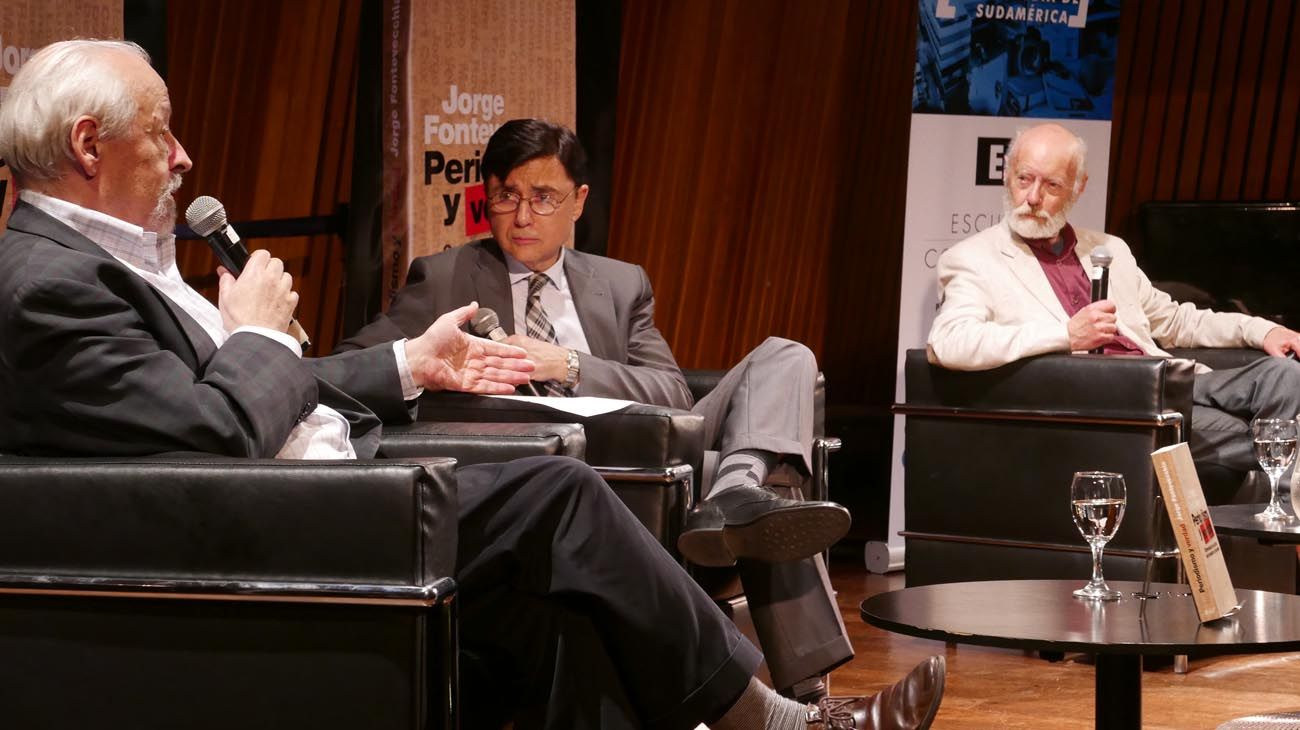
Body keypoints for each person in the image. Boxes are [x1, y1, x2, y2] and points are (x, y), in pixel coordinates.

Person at [0, 40, 944, 730]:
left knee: (582, 539)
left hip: (332, 480)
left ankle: (755, 613)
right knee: (562, 494)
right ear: (90, 143)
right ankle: (783, 721)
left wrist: (413, 365)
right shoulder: (48, 282)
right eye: (162, 132)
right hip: (291, 521)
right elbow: (211, 434)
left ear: (580, 203)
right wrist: (252, 334)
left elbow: (661, 380)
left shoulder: (110, 263)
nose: (182, 158)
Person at [339, 118, 855, 701]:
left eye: (543, 197)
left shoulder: (619, 282)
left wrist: (566, 364)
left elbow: (673, 392)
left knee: (789, 355)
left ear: (578, 202)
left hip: (652, 447)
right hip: (562, 471)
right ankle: (805, 689)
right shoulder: (445, 277)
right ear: (486, 198)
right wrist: (453, 372)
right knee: (772, 482)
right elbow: (362, 365)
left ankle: (736, 485)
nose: (523, 215)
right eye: (506, 196)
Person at [928, 122, 1300, 495]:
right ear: (1008, 175)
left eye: (1052, 185)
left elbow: (1174, 320)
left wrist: (1263, 330)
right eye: (1024, 179)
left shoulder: (1109, 250)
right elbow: (948, 341)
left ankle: (1278, 505)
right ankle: (1283, 511)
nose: (1033, 197)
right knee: (1267, 433)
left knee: (1286, 377)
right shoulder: (974, 259)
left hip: (1170, 379)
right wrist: (1066, 335)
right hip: (1114, 400)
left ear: (1078, 187)